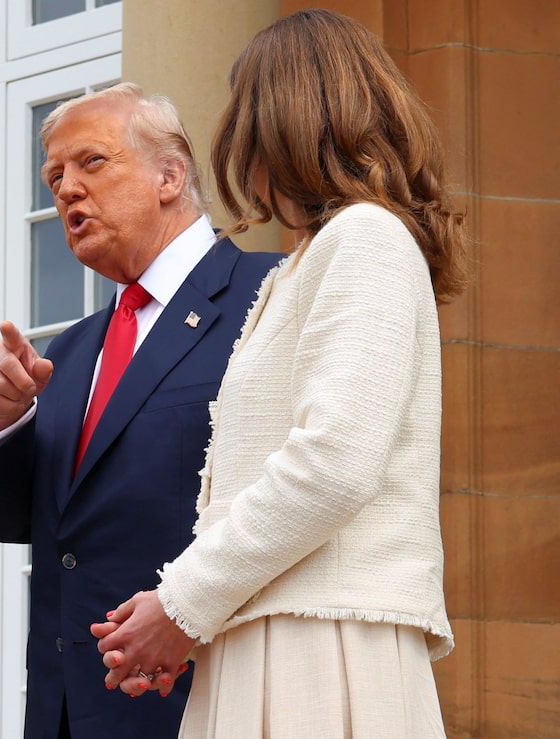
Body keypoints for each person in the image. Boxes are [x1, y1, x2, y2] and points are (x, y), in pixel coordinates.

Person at [91, 9, 470, 737]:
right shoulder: (306, 263)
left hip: (324, 646)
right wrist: (188, 615)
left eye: (244, 112)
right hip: (278, 636)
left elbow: (333, 464)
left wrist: (181, 604)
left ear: (280, 121)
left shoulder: (365, 237)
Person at [0, 83, 282, 738]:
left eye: (92, 162)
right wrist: (4, 420)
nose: (67, 190)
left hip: (208, 699)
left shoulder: (271, 293)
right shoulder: (68, 353)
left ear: (170, 176)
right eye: (55, 177)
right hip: (68, 713)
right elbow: (11, 520)